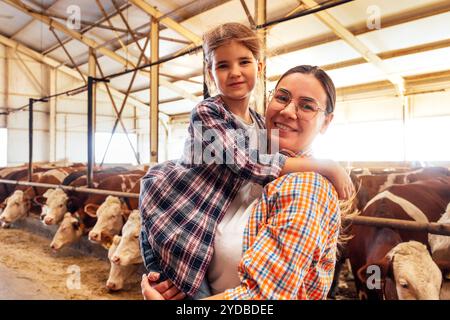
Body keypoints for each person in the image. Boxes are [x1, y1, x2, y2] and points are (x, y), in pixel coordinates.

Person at [139, 22, 353, 299]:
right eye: (282, 97)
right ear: (210, 73)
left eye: (307, 106)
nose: (288, 112)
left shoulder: (305, 189)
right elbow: (248, 164)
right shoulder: (211, 114)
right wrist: (326, 164)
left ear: (259, 67)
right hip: (172, 216)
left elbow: (263, 298)